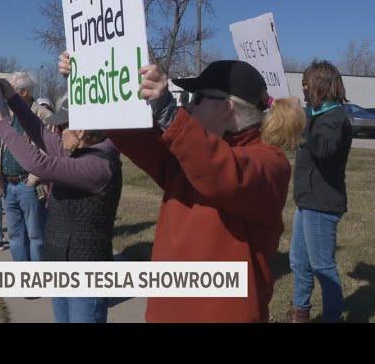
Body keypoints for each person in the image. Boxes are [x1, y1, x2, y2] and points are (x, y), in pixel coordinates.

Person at [58, 53, 306, 322]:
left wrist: (170, 114)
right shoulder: (189, 151)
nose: (187, 107)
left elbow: (222, 174)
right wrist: (90, 83)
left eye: (196, 98)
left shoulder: (270, 162)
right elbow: (137, 136)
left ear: (226, 109)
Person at [0, 79, 122, 323]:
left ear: (82, 132)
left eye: (62, 127)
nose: (56, 131)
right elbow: (40, 132)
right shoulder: (76, 148)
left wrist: (0, 125)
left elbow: (38, 163)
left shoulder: (98, 165)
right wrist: (13, 98)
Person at [287, 60, 352, 323]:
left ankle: (332, 317)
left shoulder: (335, 118)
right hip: (307, 202)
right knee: (299, 262)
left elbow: (324, 150)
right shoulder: (318, 116)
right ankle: (299, 312)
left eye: (306, 84)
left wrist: (302, 121)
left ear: (321, 86)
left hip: (322, 204)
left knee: (323, 267)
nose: (303, 89)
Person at [0, 72, 52, 262]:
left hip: (29, 185)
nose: (6, 96)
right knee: (15, 236)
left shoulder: (42, 114)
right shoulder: (10, 114)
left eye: (11, 91)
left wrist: (33, 179)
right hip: (9, 185)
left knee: (36, 236)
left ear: (25, 92)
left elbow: (52, 149)